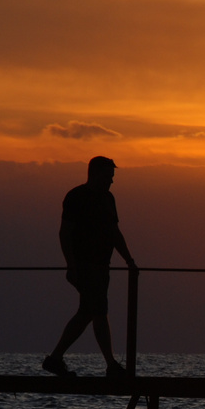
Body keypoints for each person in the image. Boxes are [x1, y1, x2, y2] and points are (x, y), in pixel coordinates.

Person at [44, 155, 136, 378]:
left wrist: (129, 260)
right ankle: (111, 365)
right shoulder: (76, 197)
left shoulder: (108, 199)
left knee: (86, 313)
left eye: (112, 177)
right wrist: (71, 266)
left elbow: (114, 233)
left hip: (102, 266)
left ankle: (55, 359)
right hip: (85, 266)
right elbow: (65, 233)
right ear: (95, 174)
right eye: (107, 176)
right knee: (98, 311)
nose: (111, 181)